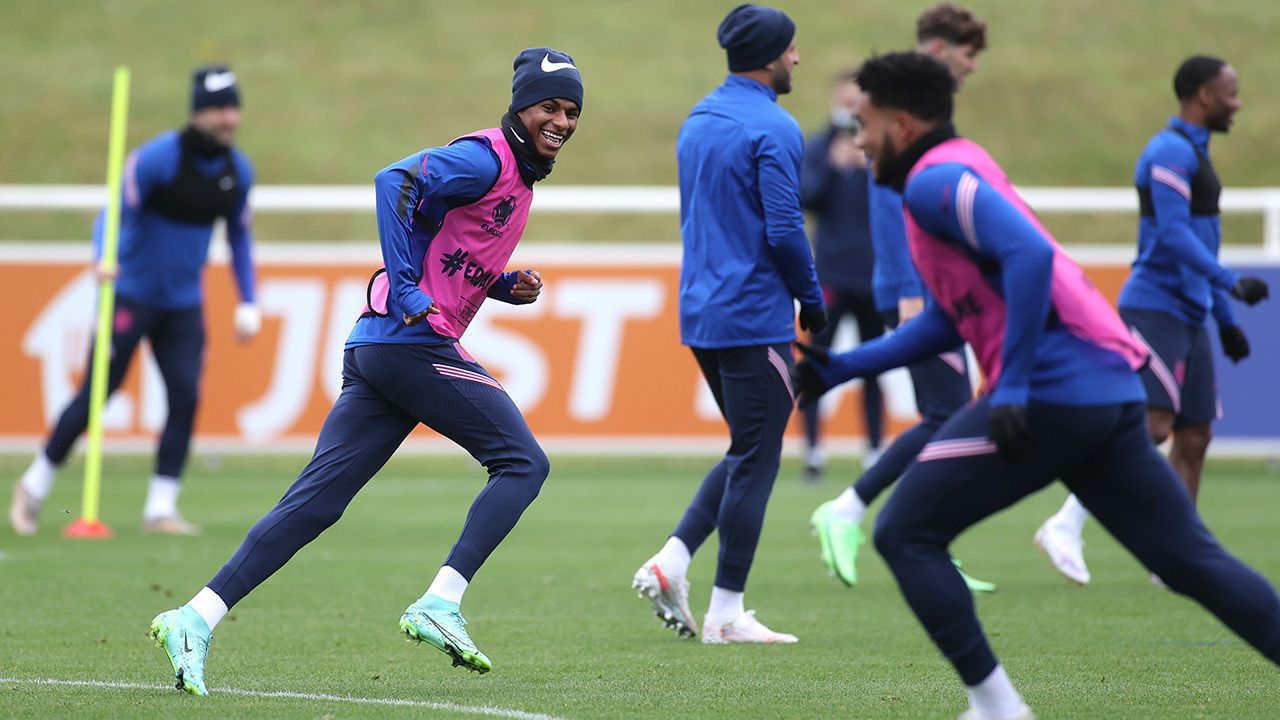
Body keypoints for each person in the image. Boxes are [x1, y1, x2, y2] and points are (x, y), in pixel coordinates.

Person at [795, 51, 1280, 720]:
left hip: (1056, 392)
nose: (857, 139)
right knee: (1196, 564)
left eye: (865, 122)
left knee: (904, 533)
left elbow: (1030, 254)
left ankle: (998, 709)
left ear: (901, 123)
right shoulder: (952, 170)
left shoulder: (936, 182)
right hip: (1108, 391)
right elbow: (951, 314)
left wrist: (1014, 384)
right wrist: (848, 365)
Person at [148, 47, 583, 695]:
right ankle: (441, 601)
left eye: (572, 111)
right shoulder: (488, 156)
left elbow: (444, 240)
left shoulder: (517, 176)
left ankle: (194, 616)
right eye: (550, 106)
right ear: (521, 105)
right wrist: (407, 289)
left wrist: (499, 284)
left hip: (379, 346)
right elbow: (393, 181)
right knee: (524, 463)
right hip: (412, 343)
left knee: (316, 502)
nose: (562, 121)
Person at [1035, 56, 1269, 586]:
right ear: (1204, 96)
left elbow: (1203, 238)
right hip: (1154, 307)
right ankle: (1064, 523)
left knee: (1195, 435)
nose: (1237, 103)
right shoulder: (1166, 152)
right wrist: (1230, 282)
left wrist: (1226, 317)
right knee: (1151, 426)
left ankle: (1176, 558)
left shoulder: (1196, 153)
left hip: (1190, 311)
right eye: (1230, 93)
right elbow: (1172, 234)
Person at [631, 3, 823, 645]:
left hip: (703, 313)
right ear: (771, 56)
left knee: (748, 449)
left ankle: (673, 563)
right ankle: (724, 613)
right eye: (792, 48)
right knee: (759, 457)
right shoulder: (774, 125)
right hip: (754, 314)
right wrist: (812, 299)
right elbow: (784, 228)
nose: (798, 58)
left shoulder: (699, 120)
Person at [9, 65, 260, 537]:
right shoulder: (158, 159)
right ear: (198, 113)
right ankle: (34, 487)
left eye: (233, 107)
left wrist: (249, 299)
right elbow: (115, 212)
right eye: (218, 109)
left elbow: (241, 237)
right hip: (133, 296)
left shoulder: (236, 172)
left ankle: (160, 508)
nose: (228, 118)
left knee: (185, 395)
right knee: (98, 392)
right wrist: (103, 254)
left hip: (184, 304)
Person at [810, 2, 994, 593]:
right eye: (968, 56)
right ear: (940, 51)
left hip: (930, 285)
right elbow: (892, 196)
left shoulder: (914, 99)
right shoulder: (903, 103)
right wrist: (911, 289)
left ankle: (905, 527)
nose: (973, 68)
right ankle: (854, 509)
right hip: (916, 288)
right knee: (949, 413)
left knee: (947, 412)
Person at [798, 72, 885, 482]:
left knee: (875, 365)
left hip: (873, 275)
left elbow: (896, 197)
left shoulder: (880, 149)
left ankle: (873, 452)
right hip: (830, 274)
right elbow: (804, 196)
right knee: (817, 364)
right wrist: (834, 167)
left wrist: (866, 166)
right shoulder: (818, 146)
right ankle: (813, 452)